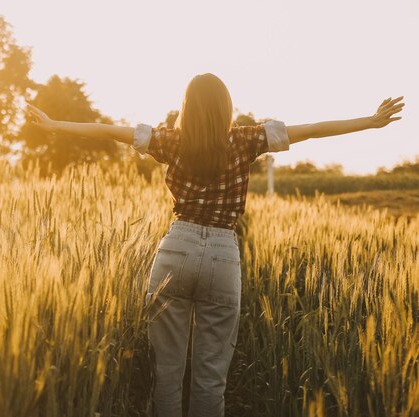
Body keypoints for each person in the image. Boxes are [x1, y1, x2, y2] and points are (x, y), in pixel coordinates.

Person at [25, 73, 404, 417]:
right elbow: (314, 130)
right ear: (227, 108)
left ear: (186, 108)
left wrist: (55, 124)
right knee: (210, 377)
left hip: (176, 250)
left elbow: (106, 130)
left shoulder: (169, 140)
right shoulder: (246, 140)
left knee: (168, 372)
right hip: (224, 255)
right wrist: (369, 122)